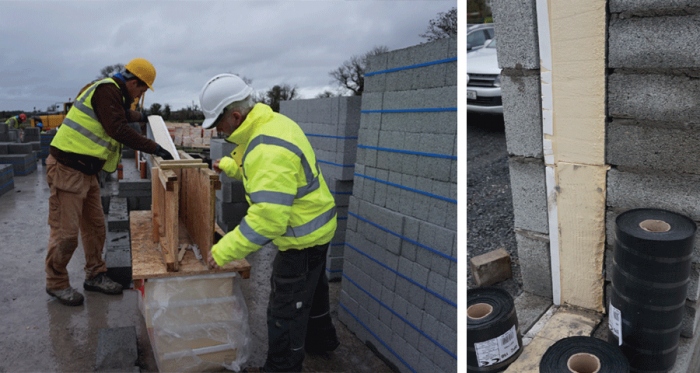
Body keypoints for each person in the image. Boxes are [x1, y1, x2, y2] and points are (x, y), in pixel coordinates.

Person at [200, 73, 340, 372]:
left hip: (301, 238)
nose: (218, 131)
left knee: (285, 308)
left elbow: (267, 220)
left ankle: (282, 367)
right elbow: (259, 173)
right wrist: (227, 166)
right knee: (312, 291)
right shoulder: (272, 123)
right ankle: (321, 342)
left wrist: (223, 251)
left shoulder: (266, 150)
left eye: (219, 124)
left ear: (236, 116)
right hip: (318, 226)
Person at [45, 57, 174, 306]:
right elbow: (117, 127)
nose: (141, 94)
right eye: (142, 89)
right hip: (67, 170)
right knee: (66, 234)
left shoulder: (114, 94)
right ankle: (56, 282)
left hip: (87, 172)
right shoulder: (107, 90)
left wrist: (143, 117)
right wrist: (155, 147)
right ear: (133, 82)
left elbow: (122, 114)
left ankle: (95, 274)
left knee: (95, 228)